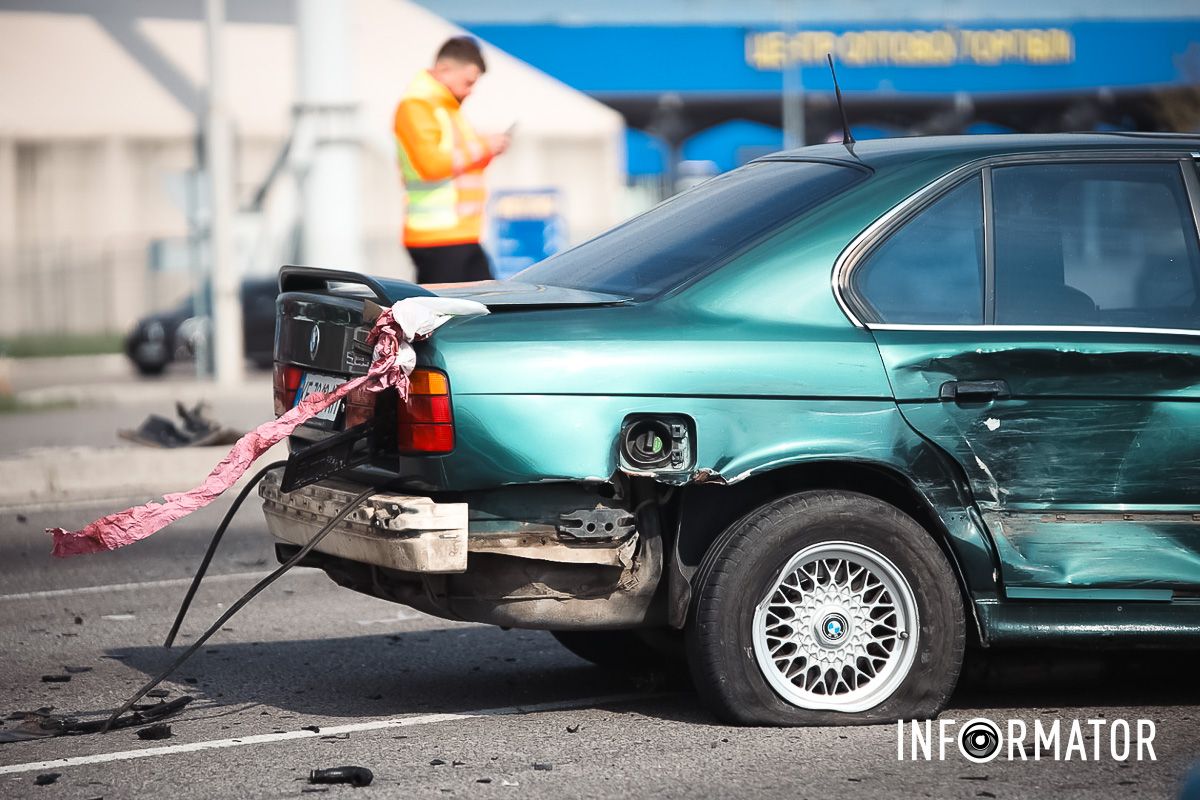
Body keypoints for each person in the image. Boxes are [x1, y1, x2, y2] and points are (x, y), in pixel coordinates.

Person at [394, 36, 510, 284]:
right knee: (443, 317)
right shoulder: (417, 107)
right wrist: (483, 147)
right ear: (444, 70)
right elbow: (432, 165)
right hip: (436, 237)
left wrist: (488, 151)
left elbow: (460, 165)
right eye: (468, 82)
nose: (471, 90)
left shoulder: (446, 110)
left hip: (459, 234)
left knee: (489, 308)